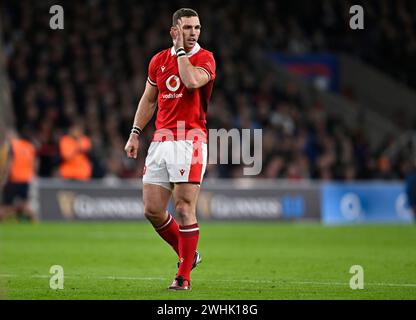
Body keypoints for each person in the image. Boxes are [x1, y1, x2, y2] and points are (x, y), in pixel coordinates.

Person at [124, 8, 216, 291]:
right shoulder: (158, 61)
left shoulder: (205, 58)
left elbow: (190, 82)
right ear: (174, 30)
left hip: (190, 141)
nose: (193, 33)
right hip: (161, 141)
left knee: (184, 208)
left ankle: (183, 276)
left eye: (197, 28)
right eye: (187, 28)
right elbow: (149, 99)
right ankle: (189, 255)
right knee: (152, 210)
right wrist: (135, 133)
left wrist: (179, 53)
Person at [1, 129, 37, 222]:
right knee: (24, 204)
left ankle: (2, 223)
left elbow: (9, 164)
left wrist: (3, 178)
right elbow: (34, 164)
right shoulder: (30, 146)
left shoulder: (12, 146)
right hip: (26, 179)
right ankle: (34, 220)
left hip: (14, 178)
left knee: (6, 205)